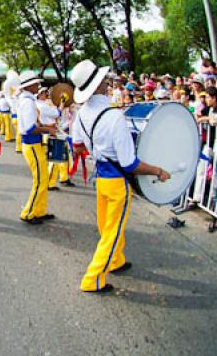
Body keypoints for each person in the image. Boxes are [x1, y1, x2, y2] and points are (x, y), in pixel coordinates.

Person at [70, 60, 171, 293]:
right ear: (97, 87)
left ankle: (116, 261)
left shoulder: (81, 113)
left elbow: (76, 147)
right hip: (116, 183)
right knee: (112, 232)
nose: (108, 82)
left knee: (107, 227)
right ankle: (92, 279)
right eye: (104, 80)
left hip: (101, 178)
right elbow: (130, 163)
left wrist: (97, 150)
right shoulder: (115, 117)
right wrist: (158, 171)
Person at [17, 71, 58, 224]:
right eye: (36, 84)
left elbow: (34, 124)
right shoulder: (27, 102)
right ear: (30, 85)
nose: (38, 86)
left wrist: (47, 126)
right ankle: (28, 213)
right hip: (32, 144)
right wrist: (49, 130)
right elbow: (29, 128)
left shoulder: (27, 100)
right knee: (40, 180)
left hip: (33, 144)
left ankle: (39, 210)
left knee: (43, 178)